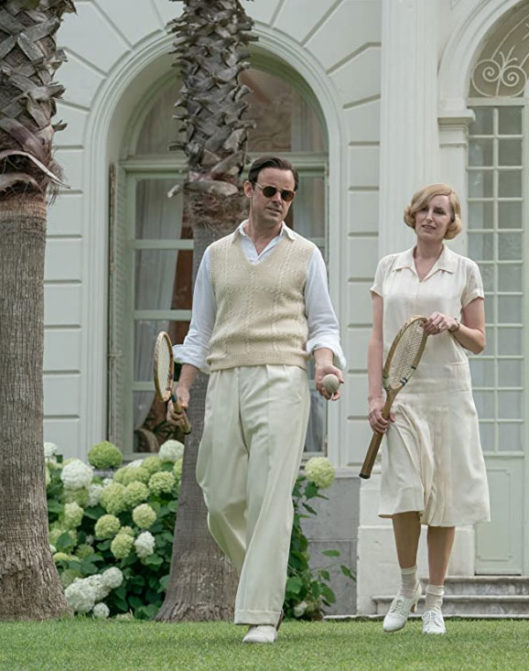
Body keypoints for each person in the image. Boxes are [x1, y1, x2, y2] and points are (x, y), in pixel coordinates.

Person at [169, 156, 345, 644]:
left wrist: (325, 364)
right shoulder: (216, 255)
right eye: (270, 191)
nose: (279, 202)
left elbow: (323, 321)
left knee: (270, 495)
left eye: (287, 195)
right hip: (224, 378)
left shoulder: (306, 253)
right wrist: (184, 384)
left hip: (283, 377)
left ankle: (262, 614)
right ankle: (265, 584)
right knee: (220, 498)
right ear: (248, 190)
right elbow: (200, 328)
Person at [368, 183, 490, 635]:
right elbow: (378, 338)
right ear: (413, 214)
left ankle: (435, 601)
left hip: (449, 395)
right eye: (423, 209)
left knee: (444, 497)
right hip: (402, 396)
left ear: (450, 221)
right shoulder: (389, 268)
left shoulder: (464, 270)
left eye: (440, 212)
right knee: (404, 494)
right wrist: (375, 397)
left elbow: (479, 340)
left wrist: (454, 324)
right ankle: (406, 589)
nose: (430, 217)